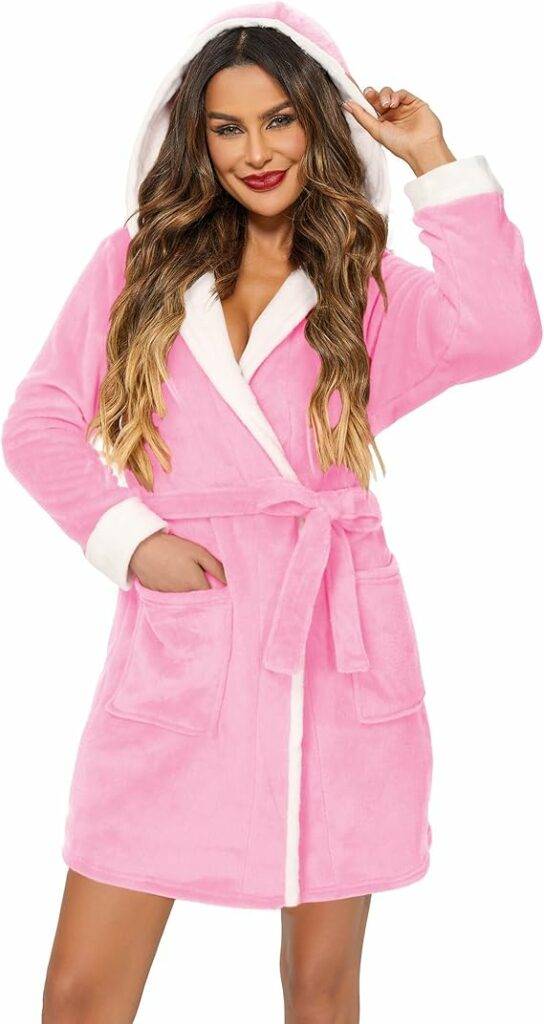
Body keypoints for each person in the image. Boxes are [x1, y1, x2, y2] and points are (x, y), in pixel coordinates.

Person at [2, 3, 541, 1022]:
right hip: (185, 649)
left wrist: (432, 160)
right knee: (80, 994)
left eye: (280, 120)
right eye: (228, 127)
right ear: (196, 139)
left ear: (317, 123)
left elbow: (503, 330)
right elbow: (38, 421)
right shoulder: (137, 264)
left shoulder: (365, 285)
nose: (257, 151)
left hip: (334, 649)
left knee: (319, 990)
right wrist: (132, 541)